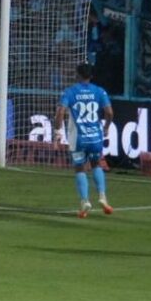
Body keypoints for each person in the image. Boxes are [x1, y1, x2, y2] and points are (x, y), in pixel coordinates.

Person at [54, 63, 114, 218]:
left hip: (78, 138)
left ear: (77, 75)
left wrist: (57, 131)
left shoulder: (70, 91)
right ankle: (102, 196)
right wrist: (106, 127)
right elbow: (109, 112)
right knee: (96, 164)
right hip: (95, 137)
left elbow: (60, 111)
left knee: (80, 168)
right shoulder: (99, 91)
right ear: (91, 76)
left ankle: (85, 201)